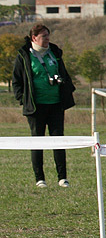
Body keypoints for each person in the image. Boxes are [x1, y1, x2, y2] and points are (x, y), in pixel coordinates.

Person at [12, 24, 77, 189]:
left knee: (59, 140)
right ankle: (40, 178)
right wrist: (23, 99)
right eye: (43, 36)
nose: (47, 39)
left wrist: (66, 88)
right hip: (36, 107)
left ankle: (62, 178)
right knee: (37, 141)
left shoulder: (54, 53)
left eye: (48, 35)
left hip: (55, 105)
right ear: (34, 38)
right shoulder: (24, 55)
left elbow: (64, 74)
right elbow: (16, 81)